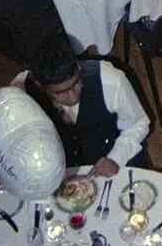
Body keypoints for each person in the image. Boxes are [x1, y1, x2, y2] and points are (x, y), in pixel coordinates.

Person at [16, 31, 149, 176]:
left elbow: (139, 123)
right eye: (60, 93)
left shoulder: (111, 81)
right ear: (41, 86)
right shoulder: (21, 92)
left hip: (113, 162)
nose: (73, 97)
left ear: (79, 66)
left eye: (76, 83)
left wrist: (115, 158)